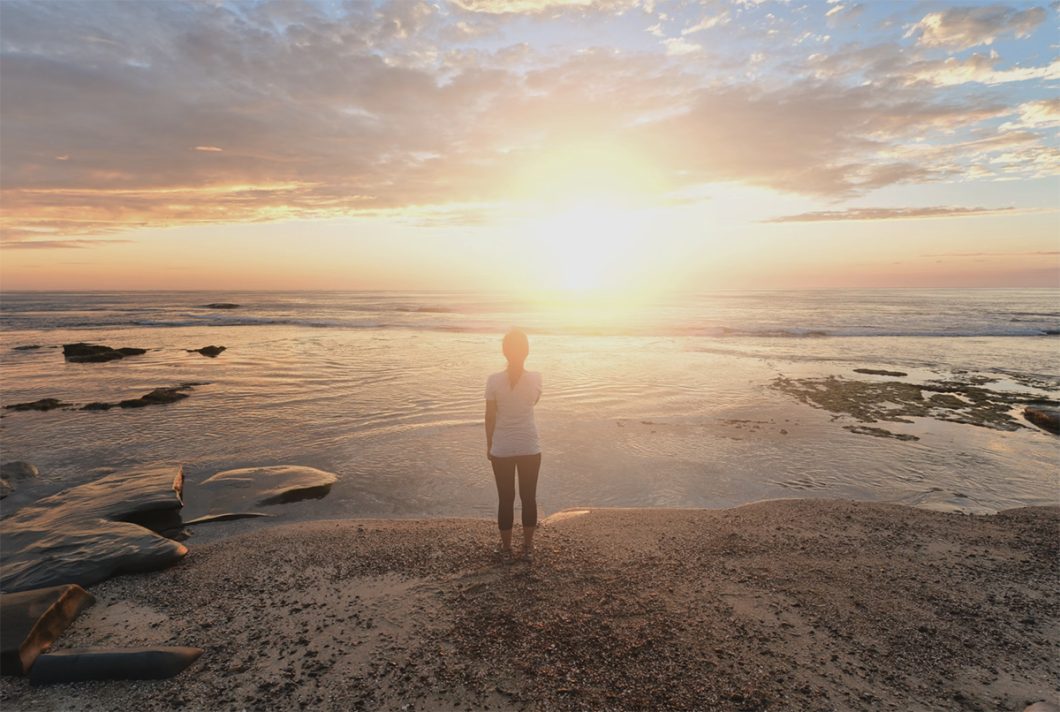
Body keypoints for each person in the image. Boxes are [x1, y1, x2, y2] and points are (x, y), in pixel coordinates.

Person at [484, 328, 542, 563]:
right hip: (530, 445)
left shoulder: (493, 380)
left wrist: (489, 445)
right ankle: (527, 548)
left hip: (503, 448)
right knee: (529, 498)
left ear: (504, 351)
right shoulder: (537, 378)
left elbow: (490, 417)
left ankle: (506, 549)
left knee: (505, 499)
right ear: (526, 351)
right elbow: (533, 402)